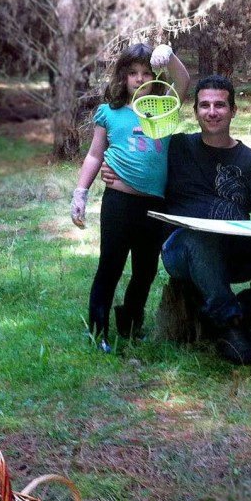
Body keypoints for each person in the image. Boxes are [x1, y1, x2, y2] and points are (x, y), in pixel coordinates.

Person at [105, 74, 251, 365]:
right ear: (196, 111)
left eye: (220, 105)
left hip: (235, 251)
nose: (212, 112)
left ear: (233, 110)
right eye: (205, 105)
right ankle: (228, 324)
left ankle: (245, 316)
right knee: (200, 238)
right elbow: (139, 161)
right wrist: (112, 173)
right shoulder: (176, 148)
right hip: (182, 251)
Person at [70, 43, 190, 352]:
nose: (139, 79)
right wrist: (80, 193)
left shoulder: (163, 106)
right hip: (119, 203)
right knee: (110, 266)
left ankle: (131, 324)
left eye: (147, 73)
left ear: (155, 77)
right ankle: (98, 331)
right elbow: (95, 155)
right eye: (133, 73)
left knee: (146, 270)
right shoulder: (110, 112)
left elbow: (184, 81)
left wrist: (170, 57)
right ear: (122, 76)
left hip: (155, 205)